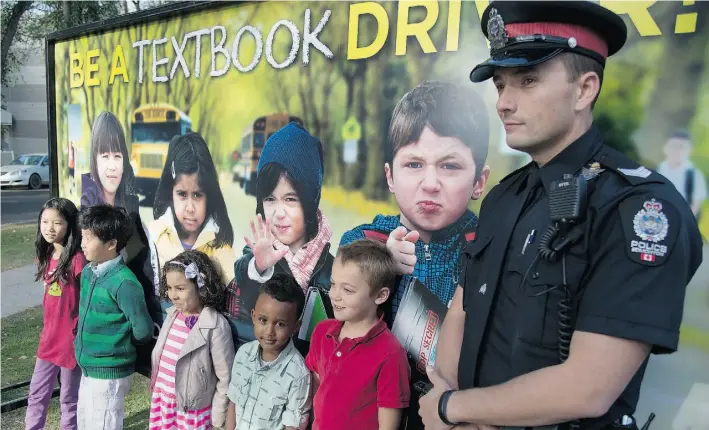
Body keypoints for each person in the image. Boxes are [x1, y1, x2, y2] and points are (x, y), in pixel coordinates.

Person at [420, 2, 704, 430]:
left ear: (585, 89)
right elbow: (461, 312)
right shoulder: (503, 197)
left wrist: (452, 408)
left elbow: (589, 388)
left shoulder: (638, 209)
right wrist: (450, 397)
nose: (504, 104)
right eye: (500, 85)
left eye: (528, 80)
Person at [339, 80, 490, 320]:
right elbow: (337, 328)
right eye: (414, 164)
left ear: (479, 182)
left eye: (450, 166)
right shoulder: (359, 243)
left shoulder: (489, 248)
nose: (430, 184)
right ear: (390, 176)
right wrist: (381, 270)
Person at [230, 122, 334, 334]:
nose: (279, 212)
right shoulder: (260, 256)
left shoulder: (331, 266)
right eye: (270, 199)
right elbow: (246, 281)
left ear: (310, 201)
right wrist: (260, 268)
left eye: (290, 199)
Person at [305, 239, 411, 430]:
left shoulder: (391, 354)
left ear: (380, 295)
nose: (334, 295)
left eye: (348, 290)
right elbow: (316, 392)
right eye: (333, 284)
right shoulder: (322, 333)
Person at [75, 204, 154, 430]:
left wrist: (118, 346)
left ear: (111, 244)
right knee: (85, 423)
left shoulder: (124, 282)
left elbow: (143, 329)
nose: (82, 243)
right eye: (83, 237)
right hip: (88, 368)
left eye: (89, 239)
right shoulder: (89, 272)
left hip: (110, 374)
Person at [149, 250, 235, 430]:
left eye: (180, 288)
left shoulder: (215, 325)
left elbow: (225, 377)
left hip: (193, 412)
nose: (173, 295)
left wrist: (217, 416)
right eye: (170, 288)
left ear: (201, 286)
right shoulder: (172, 316)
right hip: (164, 401)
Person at [25, 198, 87, 430]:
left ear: (70, 225)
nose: (49, 228)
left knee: (69, 398)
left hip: (70, 342)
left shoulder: (78, 260)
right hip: (48, 340)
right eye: (45, 221)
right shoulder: (47, 254)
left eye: (57, 223)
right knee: (37, 394)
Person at [149, 132, 236, 292]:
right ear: (170, 193)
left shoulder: (220, 246)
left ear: (209, 196)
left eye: (197, 195)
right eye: (182, 194)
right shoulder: (153, 237)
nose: (190, 208)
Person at [226, 273, 312, 430]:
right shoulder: (243, 354)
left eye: (280, 324)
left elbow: (293, 425)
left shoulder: (298, 375)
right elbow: (233, 402)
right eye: (263, 320)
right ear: (253, 316)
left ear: (295, 327)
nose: (269, 331)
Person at [80, 111, 139, 215]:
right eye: (105, 156)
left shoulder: (131, 205)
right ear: (95, 160)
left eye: (117, 156)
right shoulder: (87, 206)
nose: (112, 167)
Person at [656, 130, 707, 222]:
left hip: (682, 222)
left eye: (682, 147)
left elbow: (695, 205)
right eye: (674, 146)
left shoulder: (695, 175)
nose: (677, 151)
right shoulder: (656, 171)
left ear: (690, 150)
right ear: (665, 148)